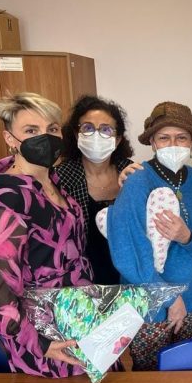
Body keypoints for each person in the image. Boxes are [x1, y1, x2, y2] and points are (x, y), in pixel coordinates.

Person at [107, 101, 192, 370]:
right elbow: (127, 252)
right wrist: (168, 297)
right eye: (164, 138)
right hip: (149, 303)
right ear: (153, 142)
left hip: (191, 297)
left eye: (182, 137)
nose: (173, 144)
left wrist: (186, 236)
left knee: (186, 370)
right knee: (149, 375)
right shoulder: (137, 181)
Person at [0, 92, 92, 376]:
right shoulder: (8, 195)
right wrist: (39, 344)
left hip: (77, 314)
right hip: (43, 332)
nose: (45, 138)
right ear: (10, 138)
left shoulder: (54, 182)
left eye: (52, 129)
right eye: (31, 130)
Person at [56, 95, 134, 285]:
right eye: (88, 128)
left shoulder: (132, 174)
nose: (96, 135)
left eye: (106, 129)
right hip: (81, 282)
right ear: (77, 135)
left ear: (117, 139)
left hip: (131, 278)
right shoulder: (59, 178)